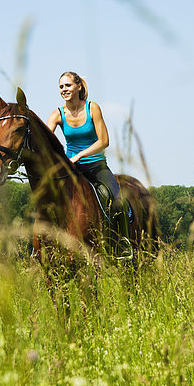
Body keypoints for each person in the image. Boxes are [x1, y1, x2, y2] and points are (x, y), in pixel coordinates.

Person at [47, 71, 131, 257]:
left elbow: (104, 141)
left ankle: (122, 243)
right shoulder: (57, 114)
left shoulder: (92, 108)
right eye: (61, 87)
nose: (64, 90)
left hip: (96, 166)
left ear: (78, 86)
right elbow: (46, 140)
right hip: (71, 169)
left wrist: (78, 156)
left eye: (67, 85)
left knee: (118, 202)